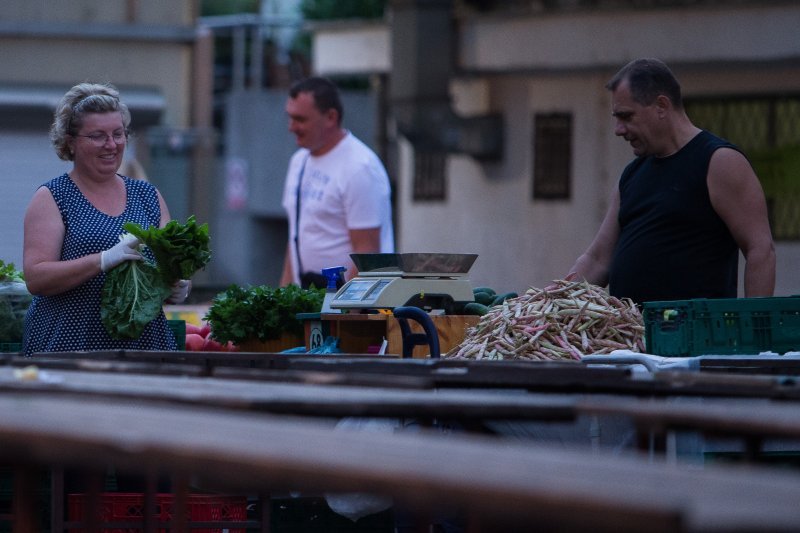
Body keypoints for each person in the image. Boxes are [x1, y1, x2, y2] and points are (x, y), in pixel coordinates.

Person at [568, 58, 775, 305]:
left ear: (661, 106)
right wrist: (545, 306)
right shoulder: (632, 175)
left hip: (695, 339)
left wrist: (754, 329)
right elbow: (598, 259)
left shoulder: (719, 162)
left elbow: (760, 250)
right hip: (633, 338)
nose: (618, 130)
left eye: (626, 116)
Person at [21, 82, 190, 356]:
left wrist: (176, 286)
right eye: (98, 136)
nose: (111, 145)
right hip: (71, 346)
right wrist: (102, 260)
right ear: (70, 142)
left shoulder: (148, 195)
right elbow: (36, 277)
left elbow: (170, 265)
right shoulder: (52, 197)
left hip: (142, 348)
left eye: (118, 134)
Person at [279, 76, 394, 289]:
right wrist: (282, 301)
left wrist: (341, 312)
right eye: (290, 117)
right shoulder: (299, 161)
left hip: (347, 305)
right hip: (309, 300)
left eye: (300, 119)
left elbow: (368, 254)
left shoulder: (359, 167)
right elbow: (295, 239)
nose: (291, 127)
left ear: (331, 117)